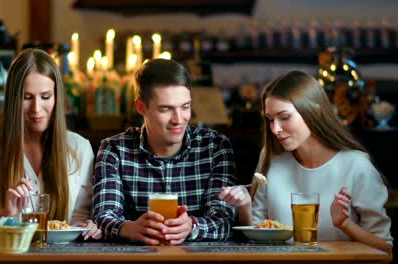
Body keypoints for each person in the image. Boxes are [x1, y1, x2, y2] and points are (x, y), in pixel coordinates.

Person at [219, 70, 392, 253]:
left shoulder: (356, 165)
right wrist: (245, 205)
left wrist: (345, 224)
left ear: (314, 112)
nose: (275, 129)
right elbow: (259, 236)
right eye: (270, 119)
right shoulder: (271, 157)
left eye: (285, 117)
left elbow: (386, 247)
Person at [92, 58, 236, 245]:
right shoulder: (115, 150)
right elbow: (103, 215)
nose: (178, 119)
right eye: (166, 109)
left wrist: (192, 226)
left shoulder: (215, 146)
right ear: (141, 107)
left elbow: (225, 219)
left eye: (185, 107)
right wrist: (130, 228)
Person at [0, 48, 101, 240]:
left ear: (57, 97)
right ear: (13, 99)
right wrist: (5, 213)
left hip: (63, 257)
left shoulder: (81, 148)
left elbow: (79, 216)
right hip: (6, 255)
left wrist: (87, 225)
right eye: (26, 98)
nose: (36, 109)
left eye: (45, 97)